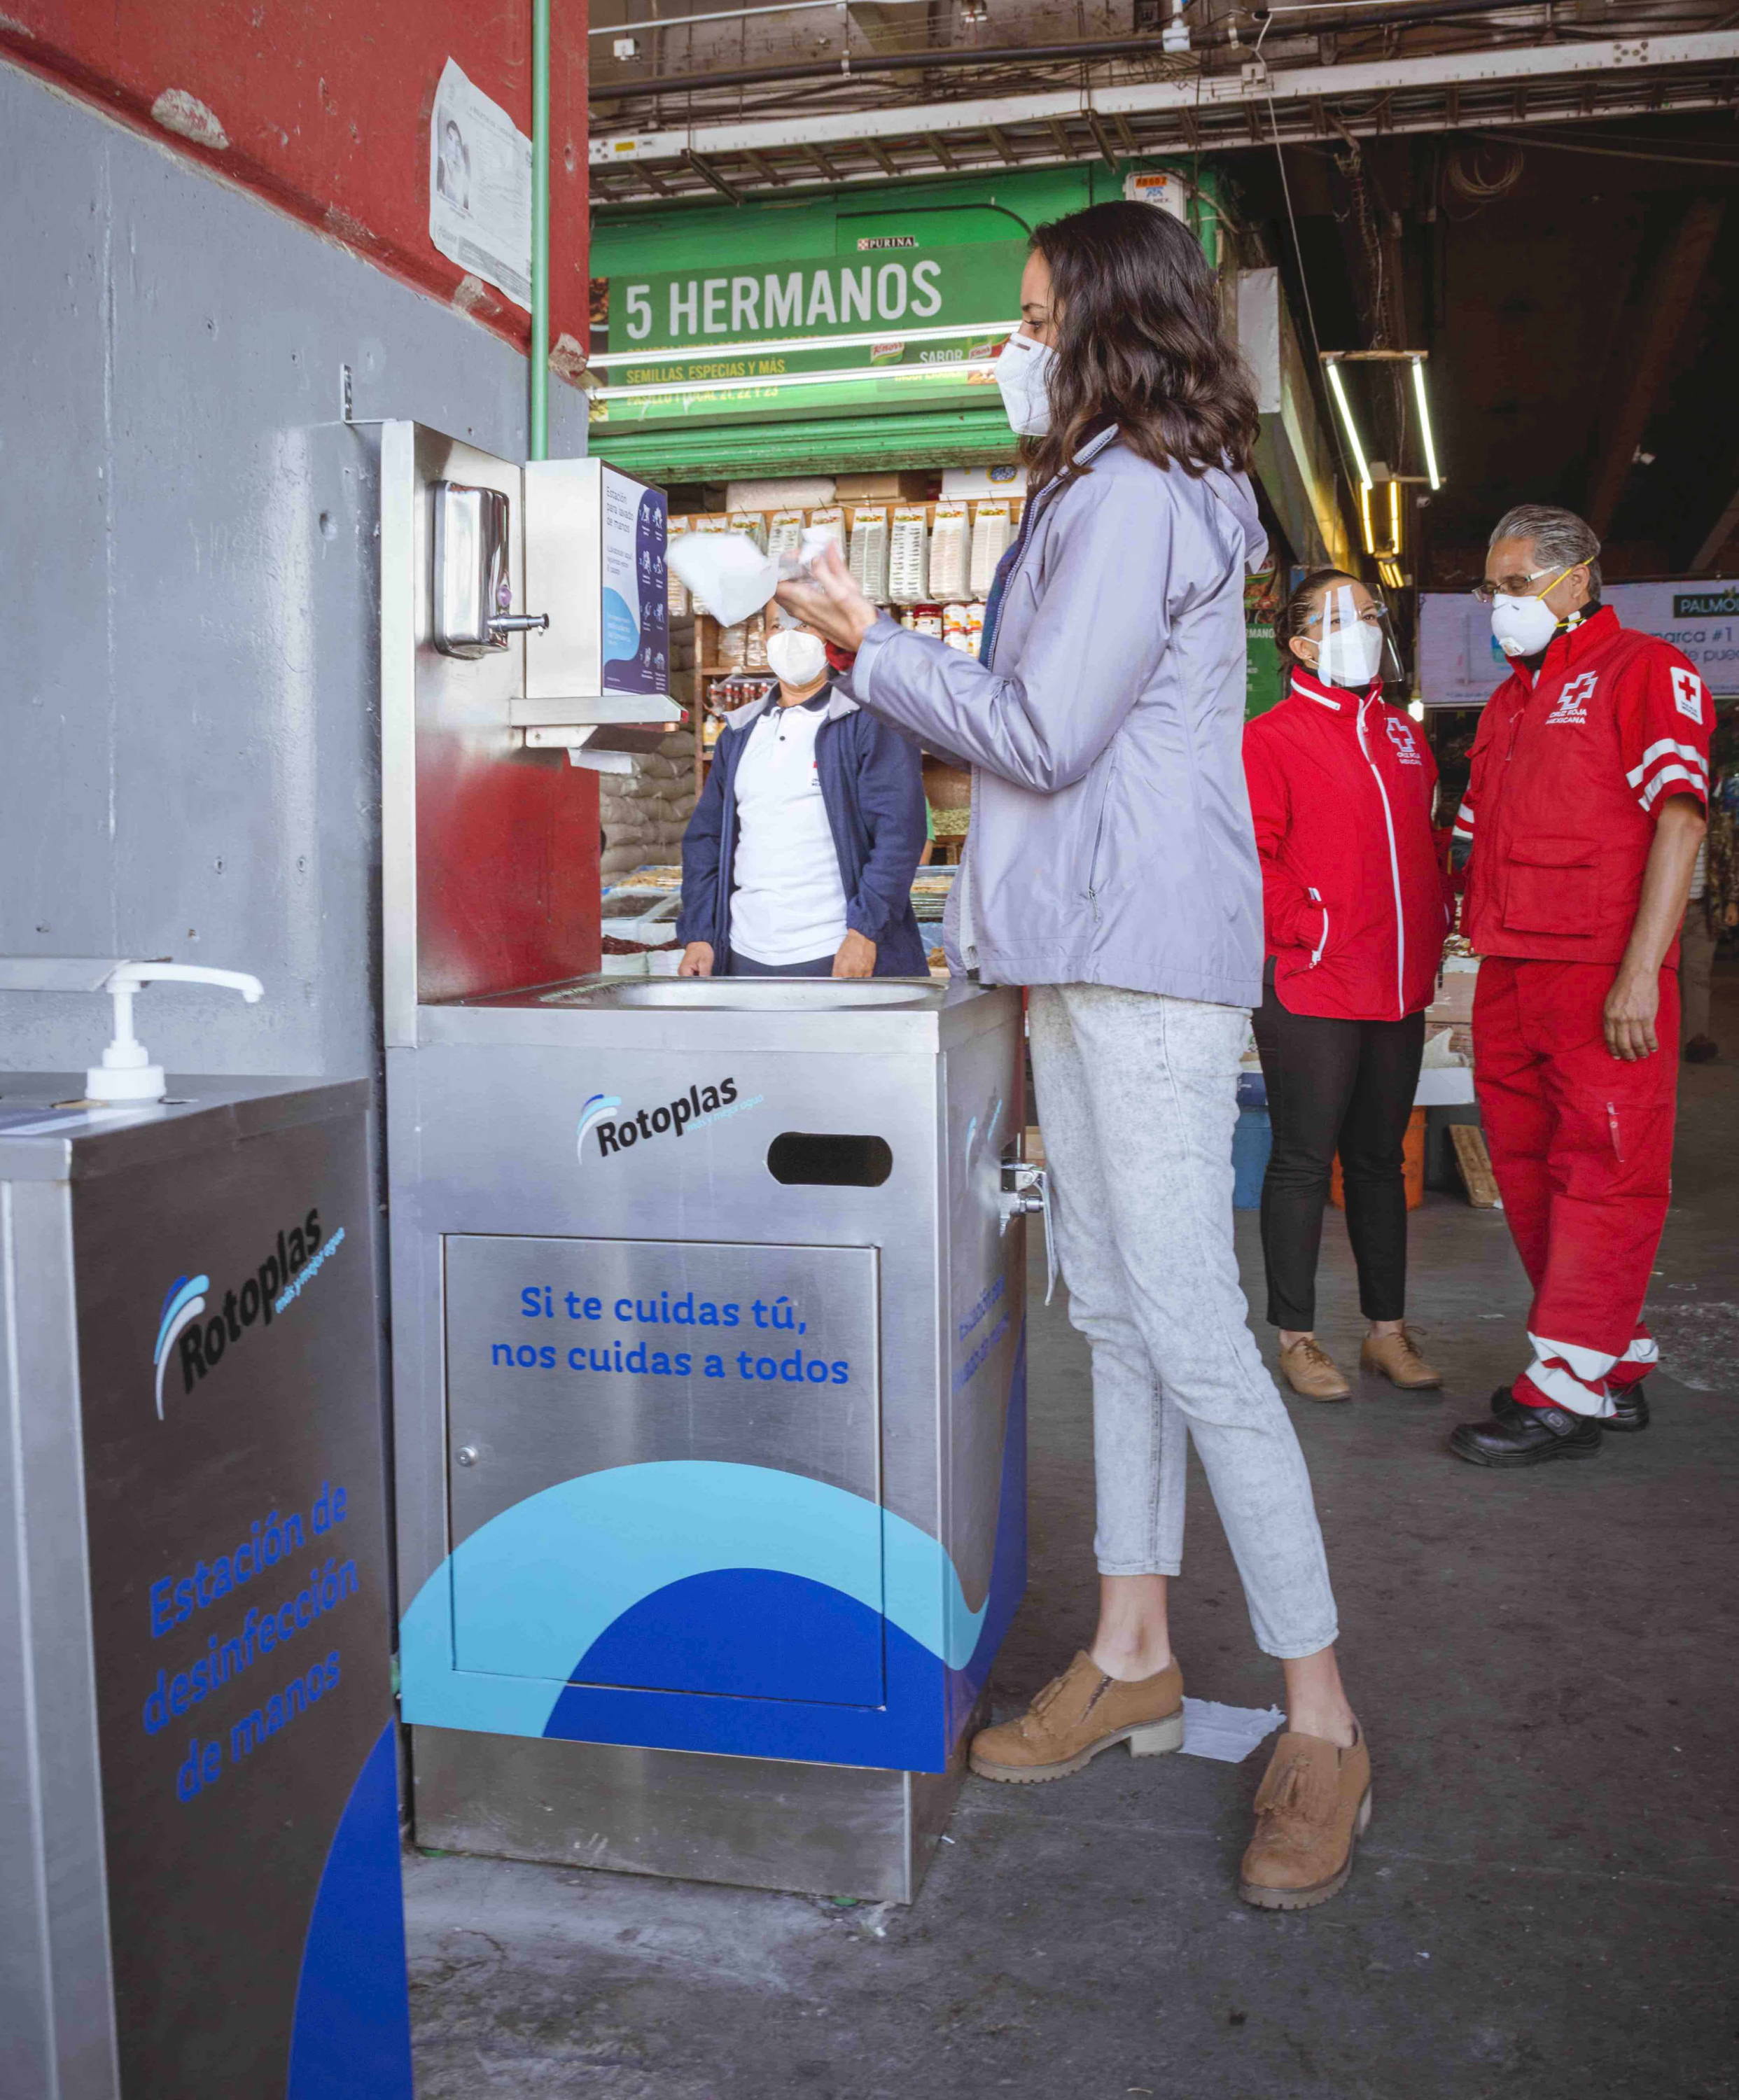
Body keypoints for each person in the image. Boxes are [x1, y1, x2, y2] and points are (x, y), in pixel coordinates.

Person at [778, 200, 1368, 1912]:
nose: (1009, 343)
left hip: (1134, 960)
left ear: (1101, 321)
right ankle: (1129, 1645)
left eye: (1032, 312)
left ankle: (1320, 1714)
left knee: (1184, 1322)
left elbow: (1036, 730)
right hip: (1080, 949)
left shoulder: (1124, 497)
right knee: (1111, 1306)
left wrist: (867, 643)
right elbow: (1047, 733)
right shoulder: (1108, 488)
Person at [1448, 505, 1710, 1466]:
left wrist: (1644, 972)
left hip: (1603, 972)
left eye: (1516, 585)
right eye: (1492, 587)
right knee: (1526, 1169)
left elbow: (1680, 825)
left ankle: (1562, 1394)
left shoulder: (1645, 670)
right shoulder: (1511, 702)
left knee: (1606, 1172)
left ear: (1578, 580)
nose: (1499, 603)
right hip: (1512, 968)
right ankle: (1609, 1359)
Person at [1243, 571, 1453, 1402]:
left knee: (1377, 1161)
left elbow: (1428, 850)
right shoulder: (1270, 737)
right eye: (1345, 619)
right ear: (1299, 646)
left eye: (1370, 615)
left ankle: (1386, 1334)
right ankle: (1296, 1338)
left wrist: (1433, 930)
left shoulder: (1405, 735)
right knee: (1301, 1160)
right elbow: (1250, 860)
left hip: (1397, 987)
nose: (1364, 628)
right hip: (1313, 983)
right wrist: (1317, 928)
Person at [675, 618, 928, 979]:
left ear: (830, 635)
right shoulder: (740, 731)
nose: (789, 638)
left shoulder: (867, 720)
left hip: (836, 950)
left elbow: (899, 833)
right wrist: (700, 935)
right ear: (764, 637)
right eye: (779, 625)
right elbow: (706, 840)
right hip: (744, 950)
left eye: (805, 626)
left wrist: (865, 933)